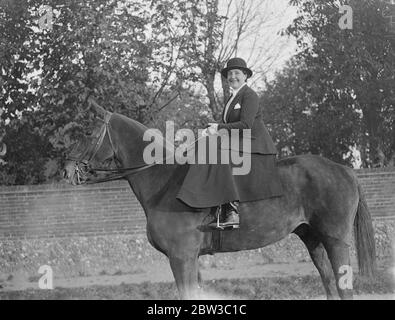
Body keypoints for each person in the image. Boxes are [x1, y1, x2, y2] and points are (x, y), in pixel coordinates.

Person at [176, 57, 283, 229]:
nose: (233, 76)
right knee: (206, 144)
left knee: (214, 148)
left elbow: (245, 125)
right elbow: (226, 125)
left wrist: (218, 127)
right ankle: (208, 201)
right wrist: (205, 133)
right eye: (230, 74)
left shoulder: (250, 95)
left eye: (237, 73)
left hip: (254, 144)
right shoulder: (231, 99)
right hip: (239, 141)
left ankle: (232, 211)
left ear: (245, 75)